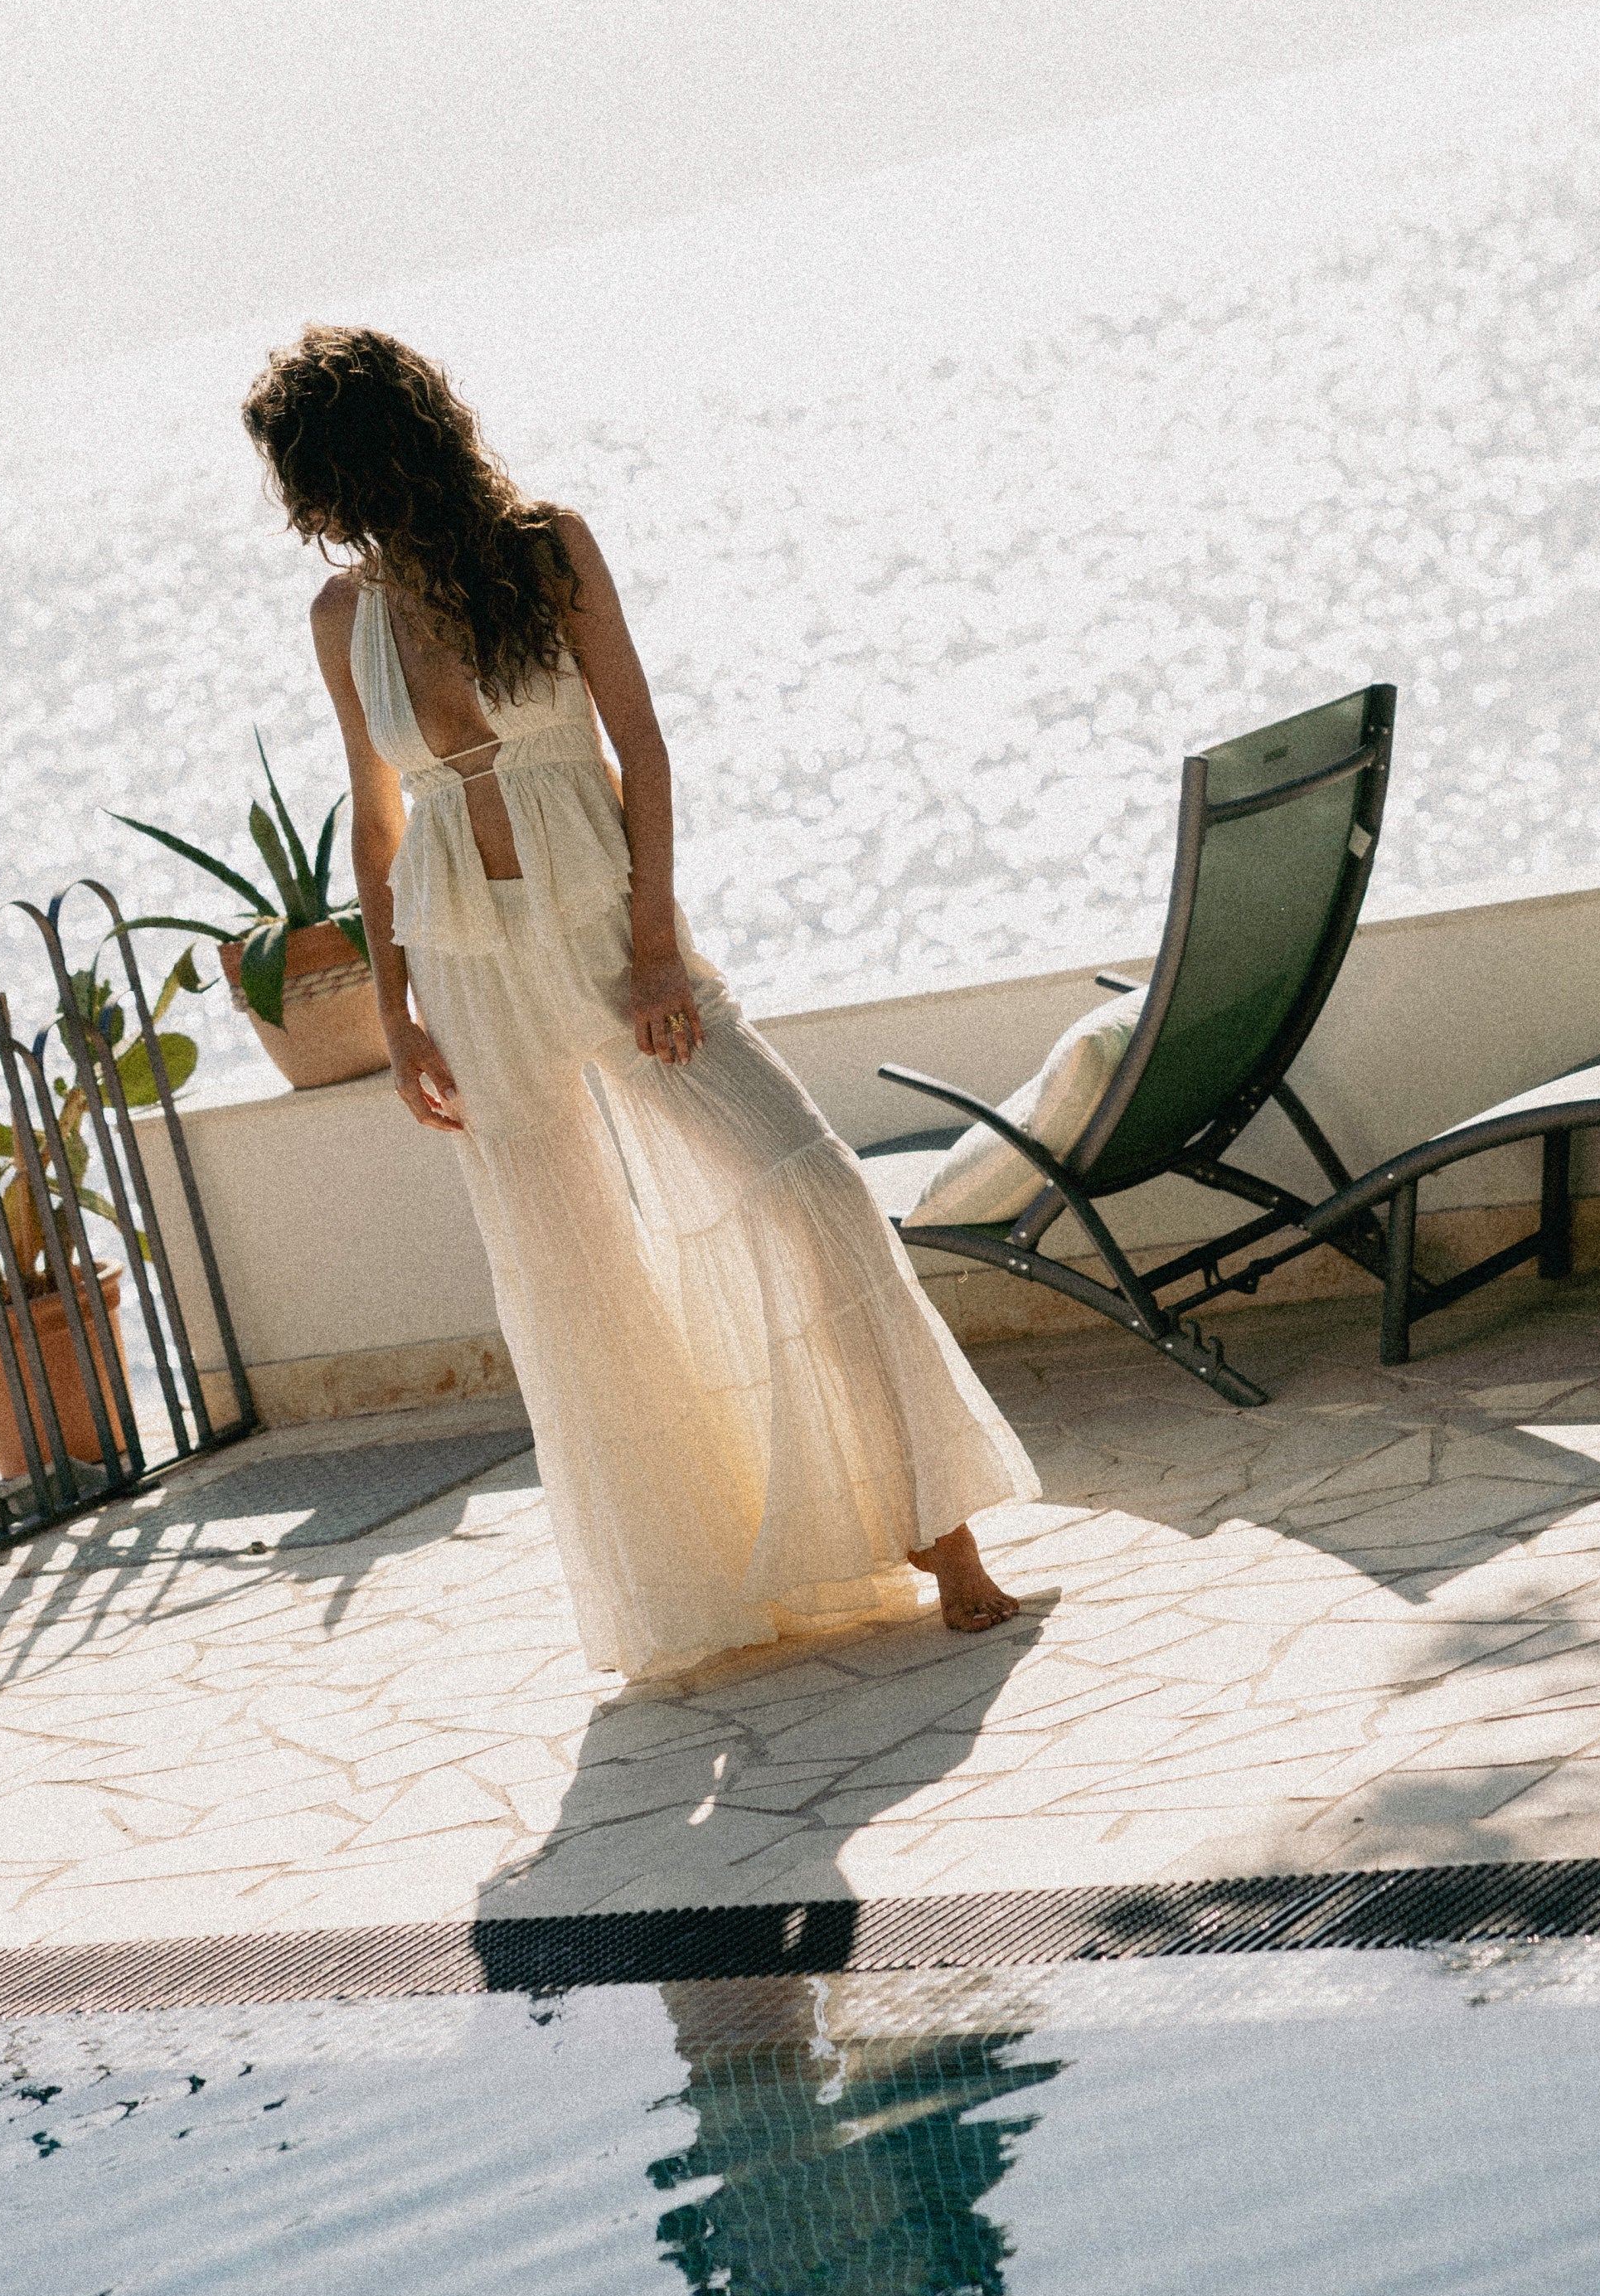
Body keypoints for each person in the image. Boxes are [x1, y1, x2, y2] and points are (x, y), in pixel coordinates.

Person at [243, 324, 1040, 1682]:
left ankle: (943, 1539)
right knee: (572, 1279)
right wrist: (398, 1013)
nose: (313, 504)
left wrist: (658, 950)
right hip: (469, 971)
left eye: (314, 469)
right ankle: (686, 1589)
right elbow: (378, 828)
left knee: (808, 1190)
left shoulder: (543, 549)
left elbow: (643, 746)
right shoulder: (345, 618)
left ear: (371, 453)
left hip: (609, 939)